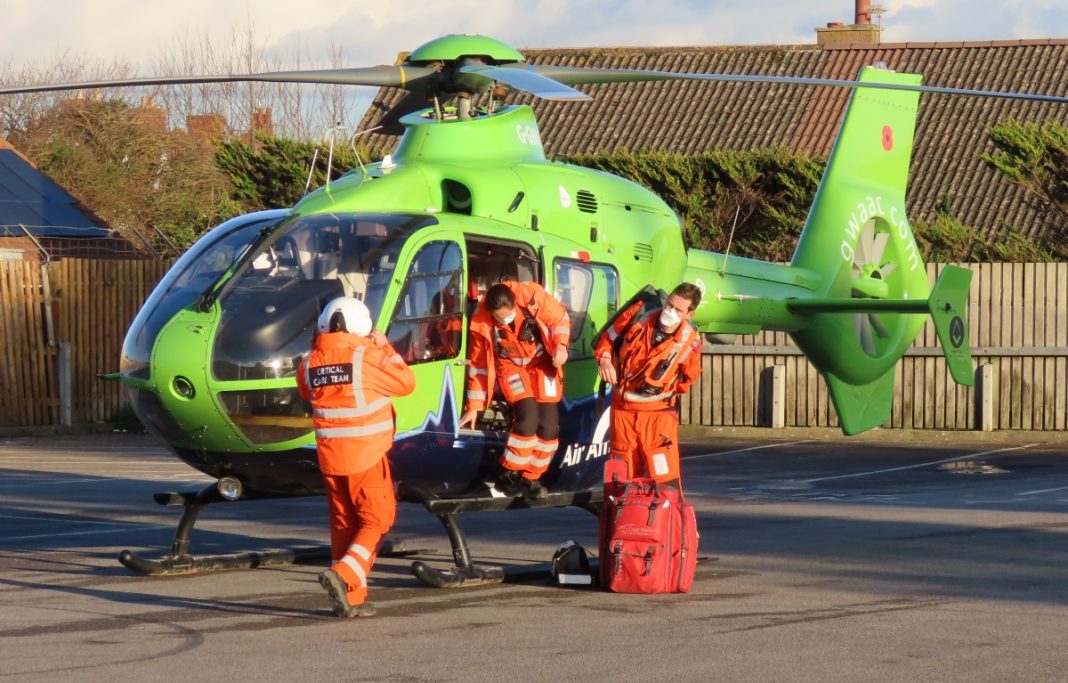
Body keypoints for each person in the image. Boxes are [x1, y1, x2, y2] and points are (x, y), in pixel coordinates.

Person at [296, 296, 415, 618]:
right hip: (365, 453)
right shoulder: (366, 356)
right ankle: (345, 574)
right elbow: (406, 383)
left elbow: (307, 392)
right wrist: (384, 346)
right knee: (377, 519)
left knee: (345, 525)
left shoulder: (309, 362)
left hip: (331, 458)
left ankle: (352, 598)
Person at [458, 281, 571, 498]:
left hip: (542, 364)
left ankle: (531, 478)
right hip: (511, 367)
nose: (505, 321)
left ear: (515, 304)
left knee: (549, 428)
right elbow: (479, 366)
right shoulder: (482, 324)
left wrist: (561, 345)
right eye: (500, 318)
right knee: (527, 420)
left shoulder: (531, 296)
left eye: (508, 316)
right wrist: (474, 406)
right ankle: (509, 473)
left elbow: (560, 319)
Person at [594, 282, 703, 488]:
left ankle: (666, 519)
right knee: (620, 476)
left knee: (663, 476)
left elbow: (688, 378)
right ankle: (618, 519)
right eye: (669, 304)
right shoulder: (638, 315)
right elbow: (606, 339)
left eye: (678, 309)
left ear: (689, 314)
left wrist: (662, 390)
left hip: (658, 416)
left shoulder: (690, 342)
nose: (669, 311)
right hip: (623, 411)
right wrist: (605, 360)